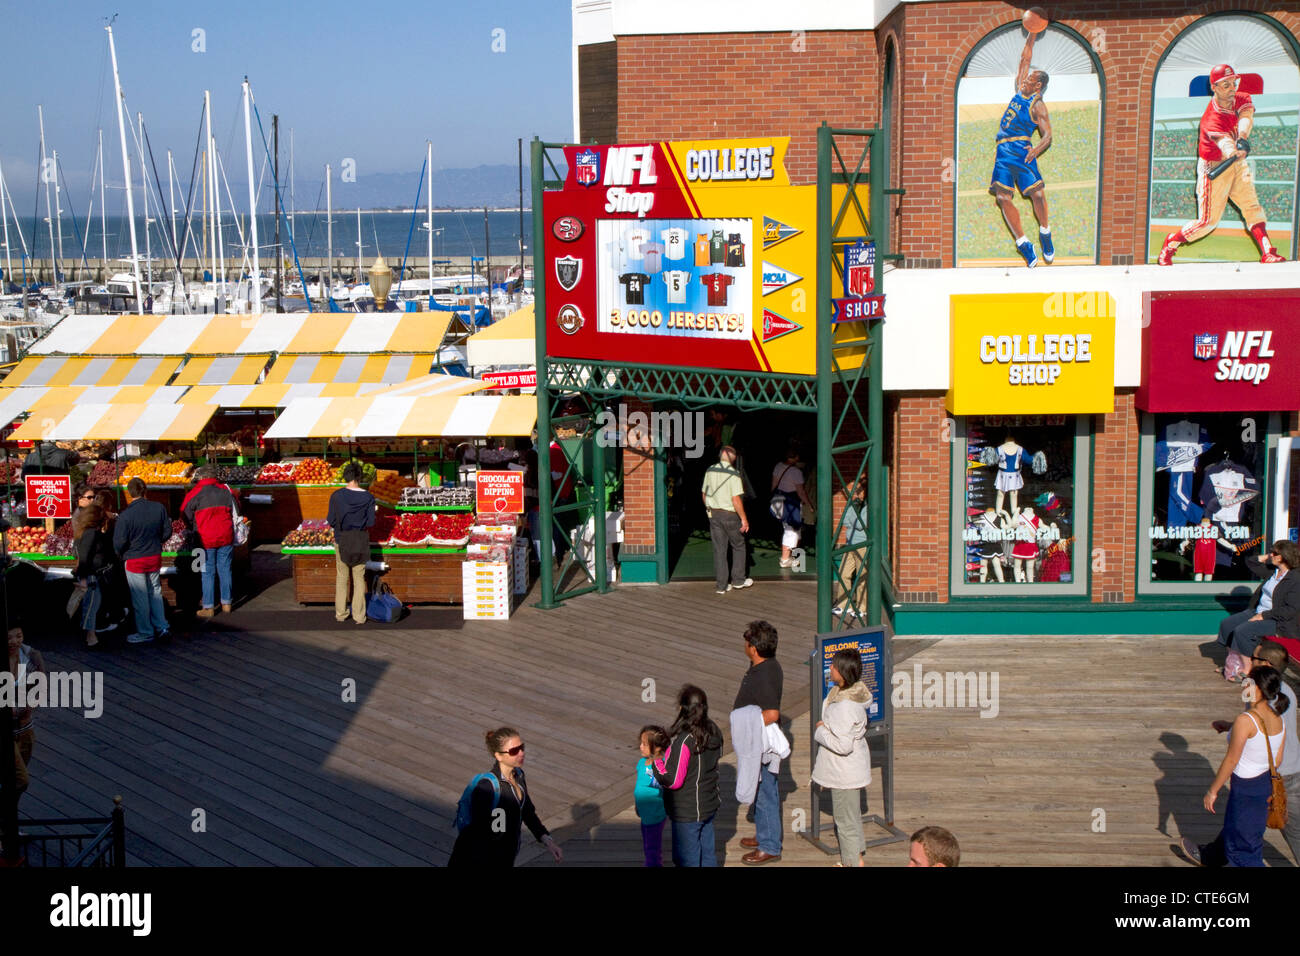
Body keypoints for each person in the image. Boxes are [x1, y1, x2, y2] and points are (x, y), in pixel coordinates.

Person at [1158, 63, 1287, 266]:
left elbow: (1246, 116)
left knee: (1252, 207)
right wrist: (1233, 150)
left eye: (1233, 82)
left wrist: (1242, 138)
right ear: (1214, 87)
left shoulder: (1242, 98)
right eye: (1225, 85)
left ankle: (1267, 252)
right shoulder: (1211, 119)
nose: (1231, 88)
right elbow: (1223, 142)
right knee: (1207, 223)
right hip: (1214, 166)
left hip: (1236, 164)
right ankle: (1171, 242)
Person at [1182, 665, 1287, 867]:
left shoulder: (1245, 720)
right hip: (1264, 784)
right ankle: (1213, 856)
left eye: (1247, 682)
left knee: (1243, 851)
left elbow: (1231, 760)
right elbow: (1278, 759)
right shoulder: (1278, 718)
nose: (1243, 686)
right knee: (1242, 832)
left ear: (1256, 688)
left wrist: (1213, 791)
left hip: (1245, 789)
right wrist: (1230, 727)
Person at [1224, 640, 1300, 864]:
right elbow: (1254, 719)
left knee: (1289, 828)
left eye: (1253, 658)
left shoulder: (1267, 692)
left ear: (1266, 664)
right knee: (1240, 818)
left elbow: (1264, 725)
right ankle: (1213, 853)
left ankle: (1215, 854)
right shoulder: (1265, 687)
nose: (1247, 661)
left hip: (1277, 771)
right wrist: (1231, 725)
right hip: (1281, 766)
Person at [448, 727, 563, 867]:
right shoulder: (487, 788)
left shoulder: (519, 776)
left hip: (504, 857)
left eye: (522, 747)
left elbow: (527, 811)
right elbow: (481, 835)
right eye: (514, 751)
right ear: (498, 756)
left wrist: (547, 841)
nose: (521, 753)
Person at [989, 30, 1054, 268]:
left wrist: (1035, 151)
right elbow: (1024, 59)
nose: (1024, 79)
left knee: (1037, 194)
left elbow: (1048, 135)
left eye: (1030, 79)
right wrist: (1032, 36)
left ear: (1038, 85)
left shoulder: (1038, 106)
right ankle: (1023, 242)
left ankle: (1045, 232)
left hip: (1022, 148)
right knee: (1002, 197)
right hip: (1003, 152)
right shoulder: (1019, 90)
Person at [813, 648, 873, 867]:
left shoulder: (844, 707)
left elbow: (842, 745)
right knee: (852, 816)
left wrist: (820, 731)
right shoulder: (853, 695)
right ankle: (856, 855)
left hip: (843, 772)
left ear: (843, 672)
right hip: (852, 769)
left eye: (834, 666)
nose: (830, 668)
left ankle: (851, 863)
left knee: (845, 821)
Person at [652, 685, 724, 867]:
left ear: (684, 709)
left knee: (687, 859)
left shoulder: (685, 741)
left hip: (687, 812)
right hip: (708, 805)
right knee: (707, 855)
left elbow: (674, 781)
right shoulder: (715, 730)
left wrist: (657, 763)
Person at [1214, 541, 1299, 681]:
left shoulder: (1295, 579)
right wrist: (1266, 557)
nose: (1271, 554)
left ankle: (1248, 669)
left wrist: (1263, 616)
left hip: (1278, 621)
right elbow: (1251, 562)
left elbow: (1290, 610)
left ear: (1284, 556)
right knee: (1227, 624)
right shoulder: (1273, 570)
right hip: (1258, 611)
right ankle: (1233, 665)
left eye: (1275, 553)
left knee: (1243, 630)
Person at [735, 620, 783, 864]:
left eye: (747, 641)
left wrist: (745, 727)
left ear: (753, 647)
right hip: (757, 742)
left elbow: (772, 713)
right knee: (762, 789)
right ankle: (765, 833)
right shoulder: (766, 666)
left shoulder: (763, 675)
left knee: (765, 792)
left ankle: (770, 845)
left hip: (761, 745)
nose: (744, 644)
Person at [113, 477, 172, 645]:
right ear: (145, 490)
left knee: (140, 597)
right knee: (155, 592)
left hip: (134, 559)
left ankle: (146, 631)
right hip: (154, 555)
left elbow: (119, 542)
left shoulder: (125, 515)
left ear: (129, 493)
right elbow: (167, 530)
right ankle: (162, 626)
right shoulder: (159, 508)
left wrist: (121, 553)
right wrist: (156, 541)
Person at [181, 465, 239, 618]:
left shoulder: (194, 493)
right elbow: (237, 509)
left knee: (207, 571)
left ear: (201, 477)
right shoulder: (226, 491)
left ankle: (209, 607)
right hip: (226, 535)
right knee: (225, 569)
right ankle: (226, 604)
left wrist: (193, 526)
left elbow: (184, 513)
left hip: (204, 538)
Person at [326, 462, 376, 625]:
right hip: (360, 540)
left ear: (345, 476)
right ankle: (359, 616)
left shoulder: (336, 496)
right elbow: (370, 521)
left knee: (342, 577)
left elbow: (331, 520)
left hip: (342, 539)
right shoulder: (368, 497)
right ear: (359, 477)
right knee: (359, 578)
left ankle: (341, 613)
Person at [702, 445, 752, 595]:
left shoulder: (710, 470)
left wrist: (709, 508)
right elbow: (736, 499)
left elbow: (704, 494)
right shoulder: (734, 474)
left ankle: (722, 586)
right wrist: (744, 519)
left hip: (714, 514)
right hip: (730, 515)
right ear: (733, 458)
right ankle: (738, 580)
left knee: (719, 550)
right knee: (738, 545)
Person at [7, 626, 43, 808]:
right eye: (9, 637)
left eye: (18, 636)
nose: (14, 641)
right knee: (21, 780)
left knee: (14, 781)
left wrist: (31, 702)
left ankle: (9, 825)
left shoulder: (31, 656)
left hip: (25, 727)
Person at [72, 504, 116, 649]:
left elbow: (77, 554)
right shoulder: (91, 533)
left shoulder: (82, 532)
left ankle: (90, 635)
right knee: (92, 605)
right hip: (91, 575)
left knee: (90, 604)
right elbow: (85, 557)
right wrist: (84, 579)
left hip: (88, 574)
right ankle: (90, 637)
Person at [634, 725, 670, 867]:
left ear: (657, 748)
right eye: (641, 743)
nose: (640, 747)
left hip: (655, 815)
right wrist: (638, 805)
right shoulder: (641, 763)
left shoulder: (661, 766)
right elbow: (639, 786)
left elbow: (667, 788)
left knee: (652, 848)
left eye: (644, 744)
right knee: (648, 844)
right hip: (644, 814)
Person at [772, 445, 813, 569]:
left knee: (793, 529)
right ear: (796, 457)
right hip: (792, 503)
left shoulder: (778, 466)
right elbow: (801, 492)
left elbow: (773, 484)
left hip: (779, 500)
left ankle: (794, 558)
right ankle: (785, 559)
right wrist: (809, 504)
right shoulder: (796, 472)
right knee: (791, 531)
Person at [834, 478, 869, 618]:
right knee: (844, 574)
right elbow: (844, 520)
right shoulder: (853, 504)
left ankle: (862, 607)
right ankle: (843, 604)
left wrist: (852, 518)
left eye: (859, 491)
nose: (857, 493)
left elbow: (861, 524)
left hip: (862, 545)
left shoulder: (868, 507)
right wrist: (854, 517)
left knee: (862, 577)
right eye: (856, 491)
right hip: (849, 543)